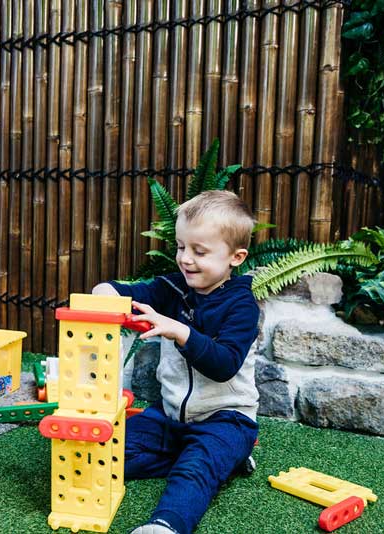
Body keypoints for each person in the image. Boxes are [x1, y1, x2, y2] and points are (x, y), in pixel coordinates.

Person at [92, 190, 260, 534]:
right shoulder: (174, 288)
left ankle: (166, 524)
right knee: (104, 455)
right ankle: (221, 461)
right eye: (182, 247)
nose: (186, 259)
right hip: (169, 416)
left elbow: (224, 363)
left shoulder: (241, 306)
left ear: (236, 257)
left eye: (200, 251)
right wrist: (107, 291)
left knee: (194, 470)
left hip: (225, 420)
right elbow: (136, 293)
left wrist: (181, 332)